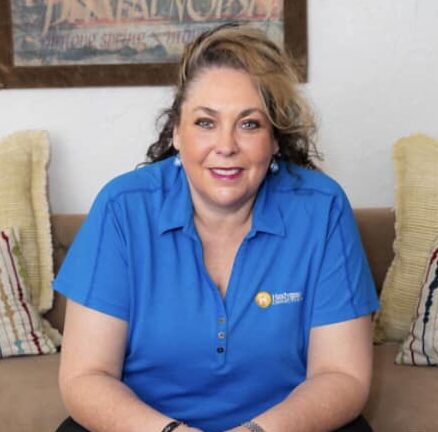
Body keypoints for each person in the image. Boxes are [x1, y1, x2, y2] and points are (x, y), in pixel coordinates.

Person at [54, 23, 379, 432]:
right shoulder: (122, 208)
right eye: (206, 122)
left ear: (275, 139)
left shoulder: (323, 208)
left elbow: (342, 375)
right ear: (177, 131)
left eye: (249, 124)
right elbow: (86, 376)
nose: (226, 146)